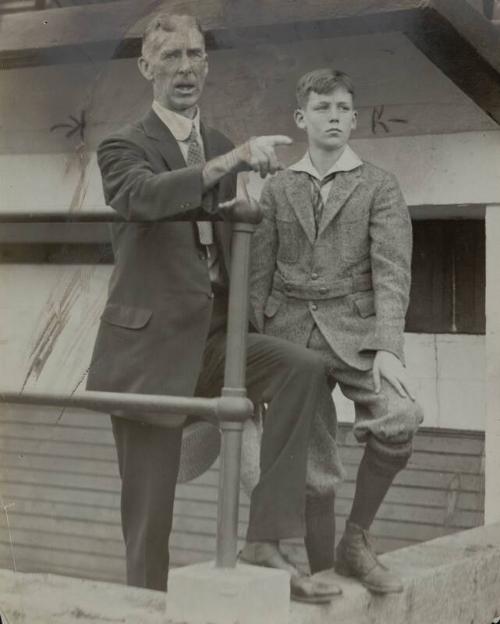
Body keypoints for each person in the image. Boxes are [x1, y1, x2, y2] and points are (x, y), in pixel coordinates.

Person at [86, 14, 340, 604]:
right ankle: (142, 612)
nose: (185, 68)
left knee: (301, 369)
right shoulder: (124, 145)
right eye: (170, 56)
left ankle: (266, 537)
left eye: (195, 55)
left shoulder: (224, 143)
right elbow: (142, 198)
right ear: (146, 68)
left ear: (208, 64)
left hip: (217, 343)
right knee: (149, 522)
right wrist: (226, 167)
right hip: (149, 357)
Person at [250, 68, 424, 594]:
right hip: (290, 333)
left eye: (342, 107)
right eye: (322, 108)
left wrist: (388, 348)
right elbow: (258, 273)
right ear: (302, 118)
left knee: (401, 416)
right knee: (313, 464)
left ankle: (356, 540)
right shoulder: (277, 188)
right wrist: (259, 355)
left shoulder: (379, 185)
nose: (333, 116)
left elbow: (392, 273)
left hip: (356, 331)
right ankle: (328, 575)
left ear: (353, 117)